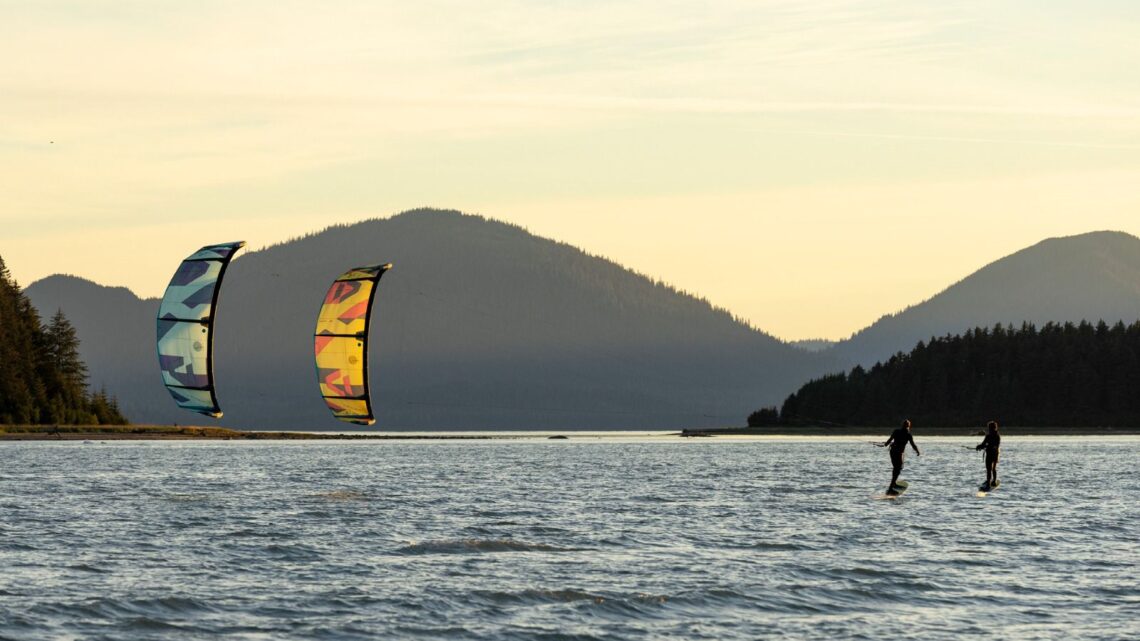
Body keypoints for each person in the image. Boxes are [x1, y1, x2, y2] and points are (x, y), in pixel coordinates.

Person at [882, 419, 920, 494]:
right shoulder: (908, 434)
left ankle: (893, 484)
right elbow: (913, 445)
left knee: (896, 468)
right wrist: (917, 451)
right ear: (909, 426)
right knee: (898, 468)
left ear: (902, 425)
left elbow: (890, 440)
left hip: (893, 452)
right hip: (898, 453)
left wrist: (886, 444)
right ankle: (891, 488)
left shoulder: (896, 431)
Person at [975, 421, 1001, 490]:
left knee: (993, 469)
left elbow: (996, 445)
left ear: (994, 428)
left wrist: (988, 446)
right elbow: (983, 444)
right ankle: (989, 483)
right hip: (989, 454)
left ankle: (994, 481)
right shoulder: (988, 436)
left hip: (994, 454)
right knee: (989, 469)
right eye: (989, 428)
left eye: (990, 428)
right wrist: (979, 447)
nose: (989, 429)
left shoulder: (997, 436)